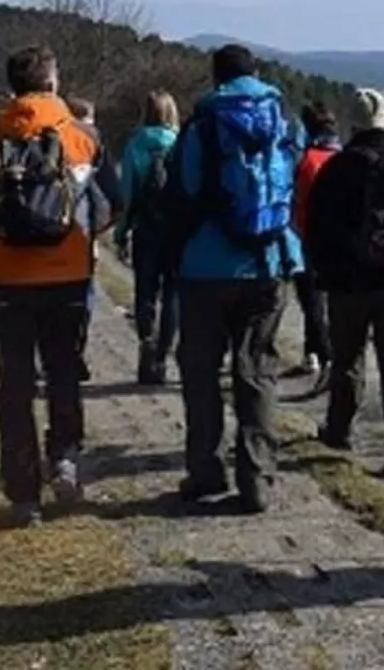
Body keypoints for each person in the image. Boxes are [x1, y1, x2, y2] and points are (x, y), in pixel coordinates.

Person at [0, 47, 121, 525]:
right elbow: (115, 204)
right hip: (68, 277)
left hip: (9, 280)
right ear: (54, 83)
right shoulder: (83, 138)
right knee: (64, 372)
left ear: (13, 87)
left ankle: (23, 495)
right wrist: (81, 238)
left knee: (15, 386)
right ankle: (63, 457)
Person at [166, 44, 302, 514]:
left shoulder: (202, 127)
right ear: (257, 75)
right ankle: (258, 478)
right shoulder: (283, 123)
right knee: (257, 369)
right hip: (267, 262)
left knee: (201, 372)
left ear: (215, 78)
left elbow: (183, 190)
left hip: (205, 265)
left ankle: (205, 471)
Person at [303, 87, 384, 479]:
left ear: (354, 122)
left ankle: (339, 429)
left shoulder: (339, 167)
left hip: (350, 280)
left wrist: (324, 271)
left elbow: (317, 226)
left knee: (348, 357)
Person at [115, 89, 182, 385]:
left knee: (145, 292)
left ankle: (146, 342)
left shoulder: (135, 145)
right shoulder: (181, 144)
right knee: (172, 294)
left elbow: (126, 194)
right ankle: (163, 354)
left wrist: (121, 233)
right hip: (175, 231)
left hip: (146, 229)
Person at [286, 102, 340, 378]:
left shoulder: (306, 160)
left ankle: (320, 354)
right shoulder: (344, 158)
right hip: (342, 239)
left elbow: (298, 204)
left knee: (311, 301)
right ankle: (317, 353)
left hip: (309, 237)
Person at [67, 97, 103, 383]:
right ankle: (74, 352)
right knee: (83, 299)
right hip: (82, 238)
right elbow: (108, 200)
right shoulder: (90, 145)